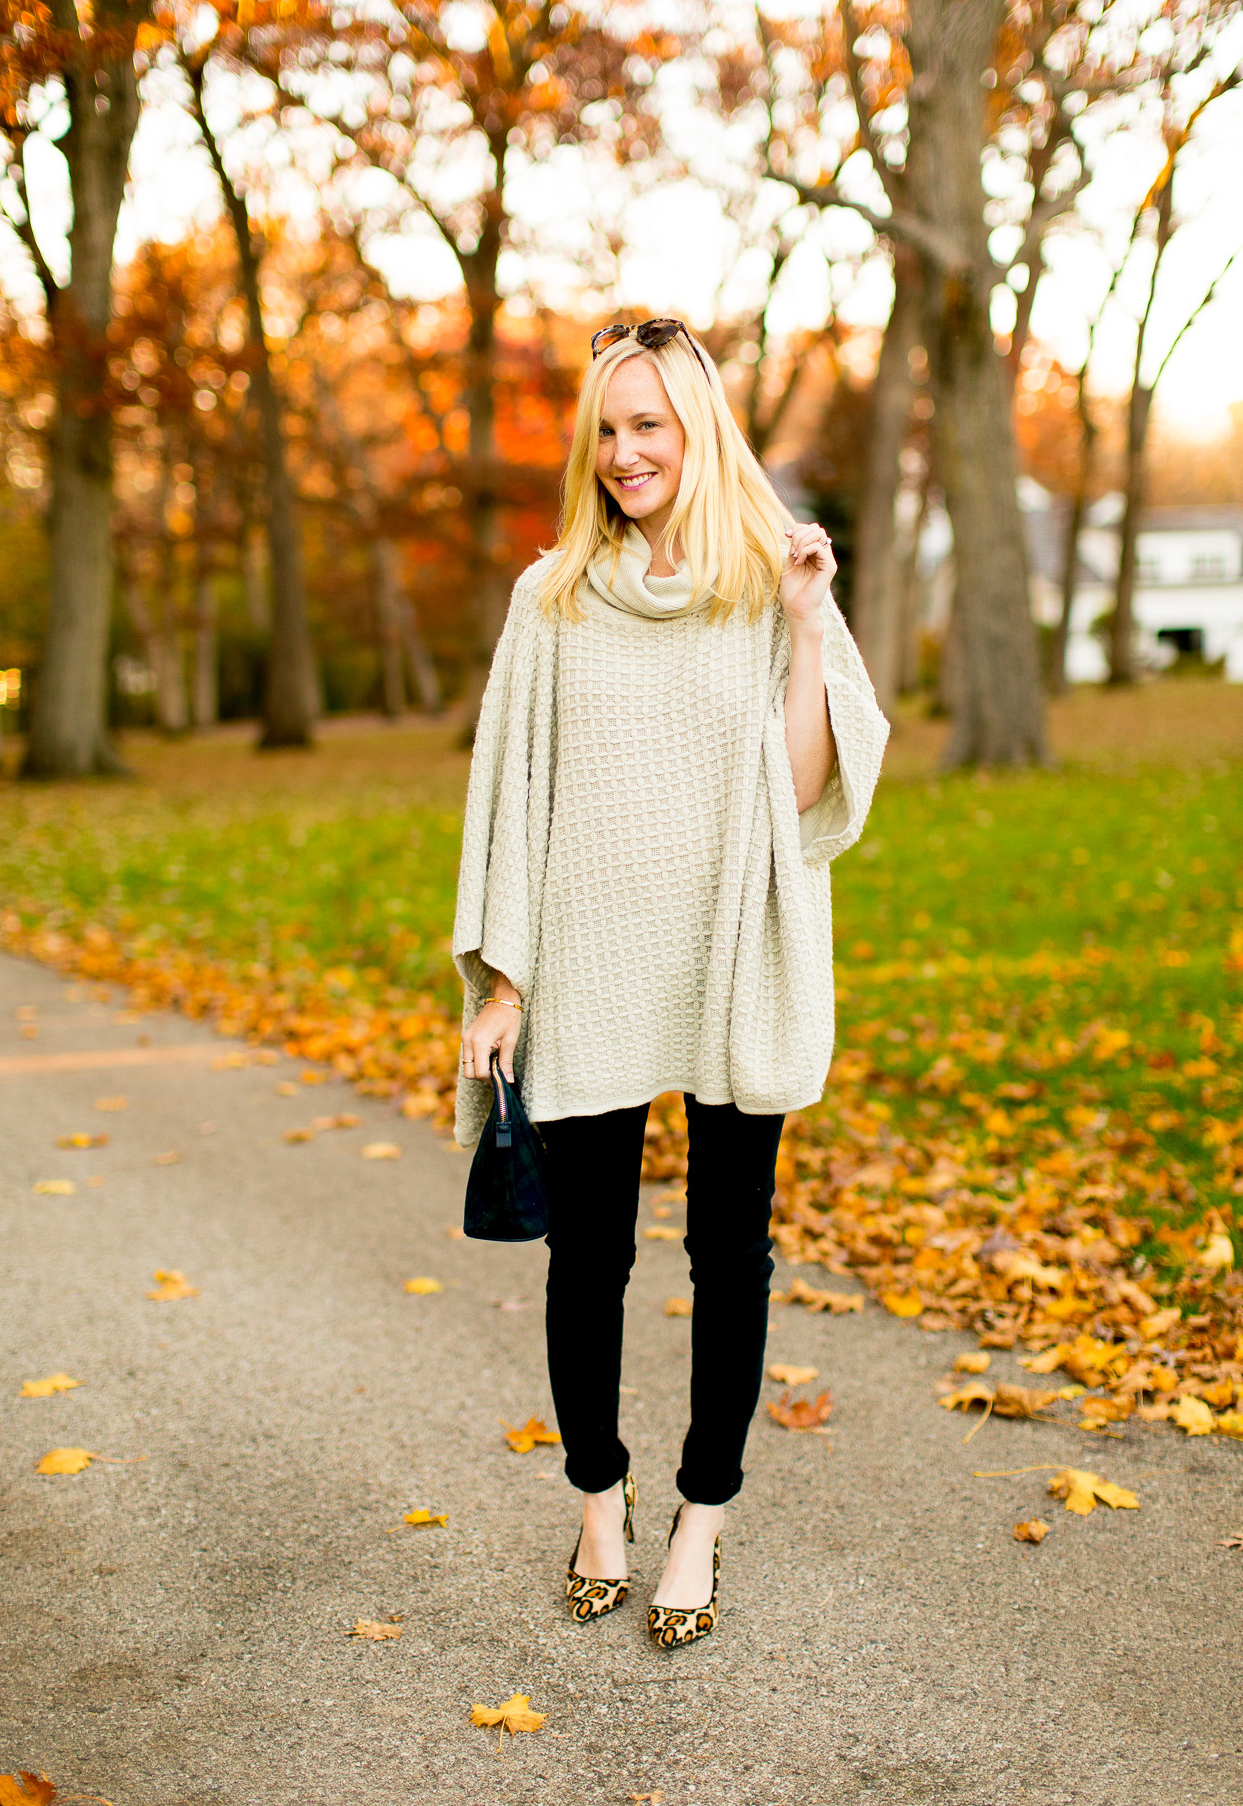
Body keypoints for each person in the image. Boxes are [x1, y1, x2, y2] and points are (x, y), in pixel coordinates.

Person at [453, 318, 888, 1649]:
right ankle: (600, 1497)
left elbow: (808, 797)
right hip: (587, 957)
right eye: (609, 428)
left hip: (726, 953)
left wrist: (810, 630)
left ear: (697, 431)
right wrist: (505, 980)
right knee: (585, 1258)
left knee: (727, 1254)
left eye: (652, 424)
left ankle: (702, 1512)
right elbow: (512, 794)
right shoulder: (556, 597)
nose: (628, 451)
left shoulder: (772, 583)